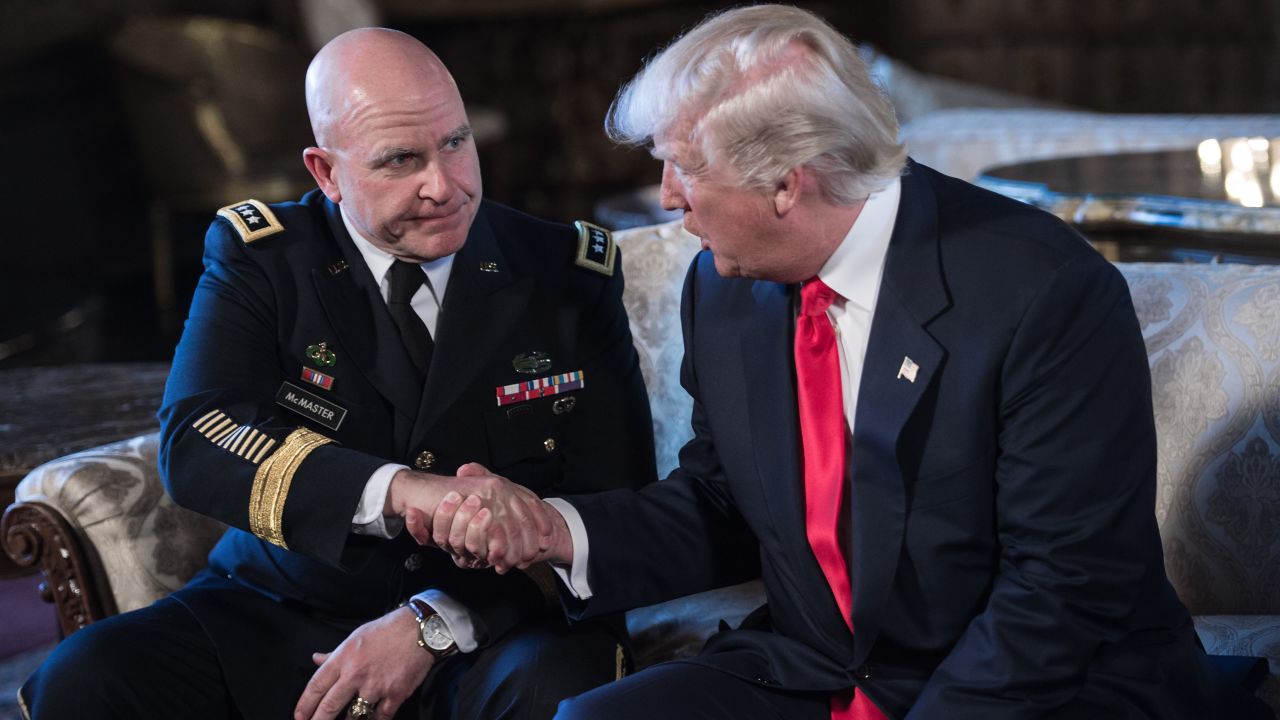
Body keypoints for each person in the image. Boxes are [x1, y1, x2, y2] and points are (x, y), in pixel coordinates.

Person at [413, 6, 1273, 719]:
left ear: (787, 185)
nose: (667, 197)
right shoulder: (721, 287)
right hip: (821, 669)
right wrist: (558, 530)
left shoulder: (1044, 291)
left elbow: (1064, 591)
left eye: (683, 166)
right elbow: (723, 503)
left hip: (1040, 686)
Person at [21, 27, 655, 720]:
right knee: (89, 677)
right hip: (288, 607)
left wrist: (433, 624)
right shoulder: (265, 260)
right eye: (400, 160)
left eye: (455, 143)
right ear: (326, 172)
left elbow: (616, 504)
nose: (443, 186)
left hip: (490, 622)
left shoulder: (564, 273)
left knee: (565, 685)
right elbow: (197, 436)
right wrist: (402, 492)